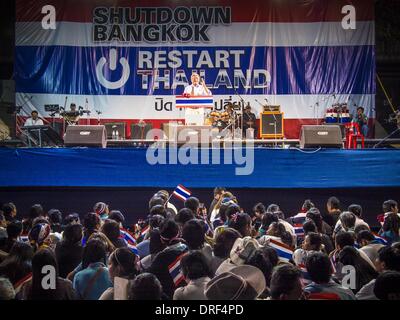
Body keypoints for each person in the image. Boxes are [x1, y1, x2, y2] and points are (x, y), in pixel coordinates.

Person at [147, 219, 188, 299]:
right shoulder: (190, 250)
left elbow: (148, 277)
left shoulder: (160, 259)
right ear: (179, 233)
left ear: (162, 240)